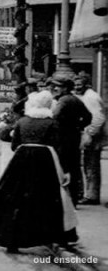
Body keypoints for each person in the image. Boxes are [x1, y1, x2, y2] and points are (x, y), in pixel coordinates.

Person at [0, 90, 78, 252]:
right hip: (46, 160)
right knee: (50, 198)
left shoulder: (22, 122)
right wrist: (65, 170)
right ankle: (57, 237)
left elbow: (14, 145)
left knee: (15, 198)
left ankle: (11, 239)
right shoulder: (52, 123)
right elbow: (59, 147)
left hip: (21, 160)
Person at [49, 73, 92, 205]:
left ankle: (63, 198)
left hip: (62, 139)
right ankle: (74, 197)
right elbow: (88, 117)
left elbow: (55, 118)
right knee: (74, 167)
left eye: (58, 87)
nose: (54, 89)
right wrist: (77, 127)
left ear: (65, 88)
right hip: (73, 138)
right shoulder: (75, 100)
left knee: (62, 166)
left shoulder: (64, 101)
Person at [73, 73, 106, 206]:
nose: (77, 87)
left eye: (79, 85)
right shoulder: (88, 96)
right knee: (89, 164)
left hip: (94, 136)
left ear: (87, 84)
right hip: (93, 134)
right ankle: (90, 193)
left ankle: (92, 195)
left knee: (91, 165)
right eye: (75, 85)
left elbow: (99, 118)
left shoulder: (91, 97)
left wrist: (90, 133)